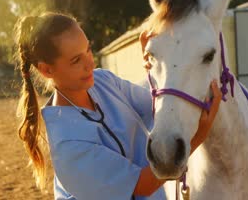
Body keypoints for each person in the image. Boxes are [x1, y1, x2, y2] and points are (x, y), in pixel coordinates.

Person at [14, 12, 221, 200]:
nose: (90, 64)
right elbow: (142, 185)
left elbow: (153, 105)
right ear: (47, 70)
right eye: (76, 60)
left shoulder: (102, 81)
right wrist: (196, 138)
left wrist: (156, 63)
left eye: (88, 50)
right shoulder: (68, 145)